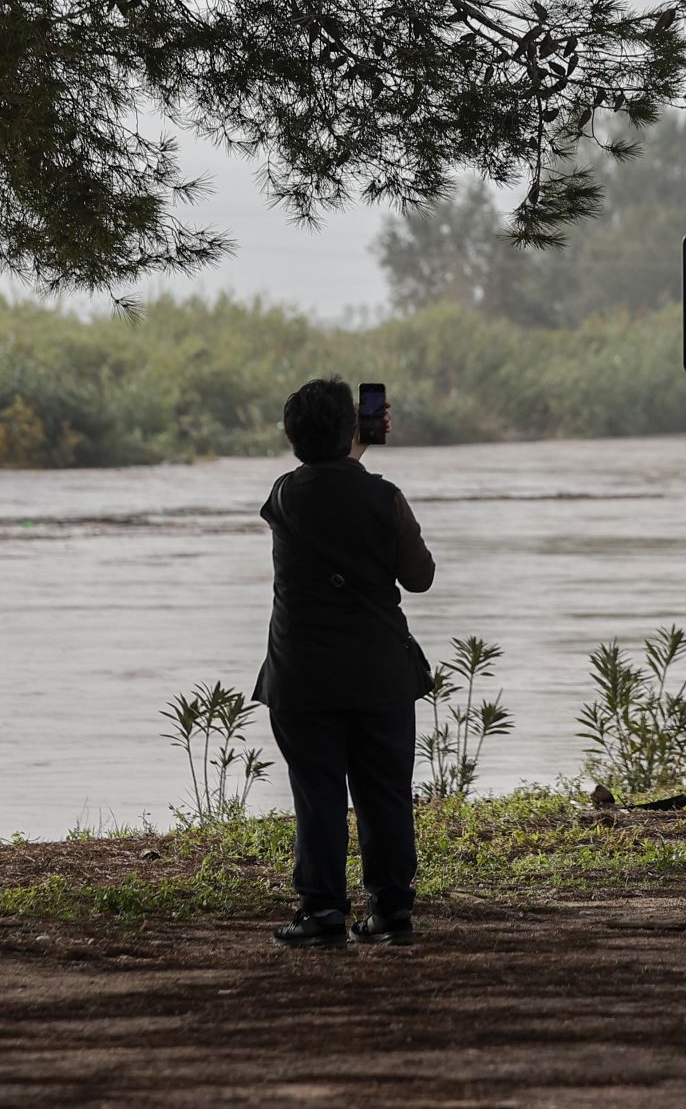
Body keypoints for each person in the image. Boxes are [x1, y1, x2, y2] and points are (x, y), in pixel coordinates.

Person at [254, 377, 436, 949]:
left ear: (292, 439)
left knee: (318, 794)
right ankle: (391, 910)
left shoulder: (284, 496)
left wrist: (346, 448)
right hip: (379, 673)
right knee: (385, 792)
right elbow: (420, 578)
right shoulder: (385, 498)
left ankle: (323, 910)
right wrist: (358, 451)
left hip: (302, 677)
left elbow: (324, 477)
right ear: (355, 429)